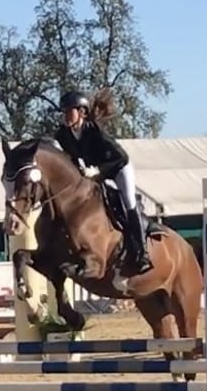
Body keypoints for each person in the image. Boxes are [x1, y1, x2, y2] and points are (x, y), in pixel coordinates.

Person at [53, 89, 152, 274]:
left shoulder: (95, 131)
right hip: (95, 173)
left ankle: (142, 254)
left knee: (128, 201)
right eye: (64, 112)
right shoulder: (63, 135)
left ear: (81, 112)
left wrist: (98, 170)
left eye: (69, 111)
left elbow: (120, 157)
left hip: (118, 168)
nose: (65, 116)